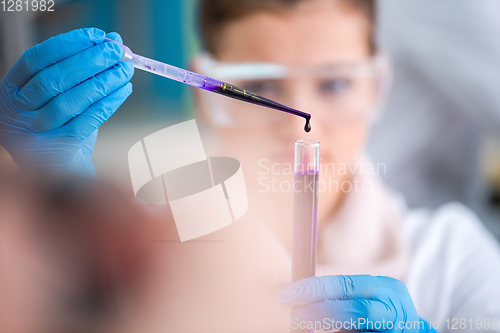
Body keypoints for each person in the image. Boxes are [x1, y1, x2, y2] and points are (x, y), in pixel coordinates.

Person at [1, 0, 500, 332]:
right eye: (260, 87)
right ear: (206, 93)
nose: (297, 123)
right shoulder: (137, 252)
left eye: (336, 84)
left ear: (377, 87)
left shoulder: (453, 257)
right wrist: (59, 197)